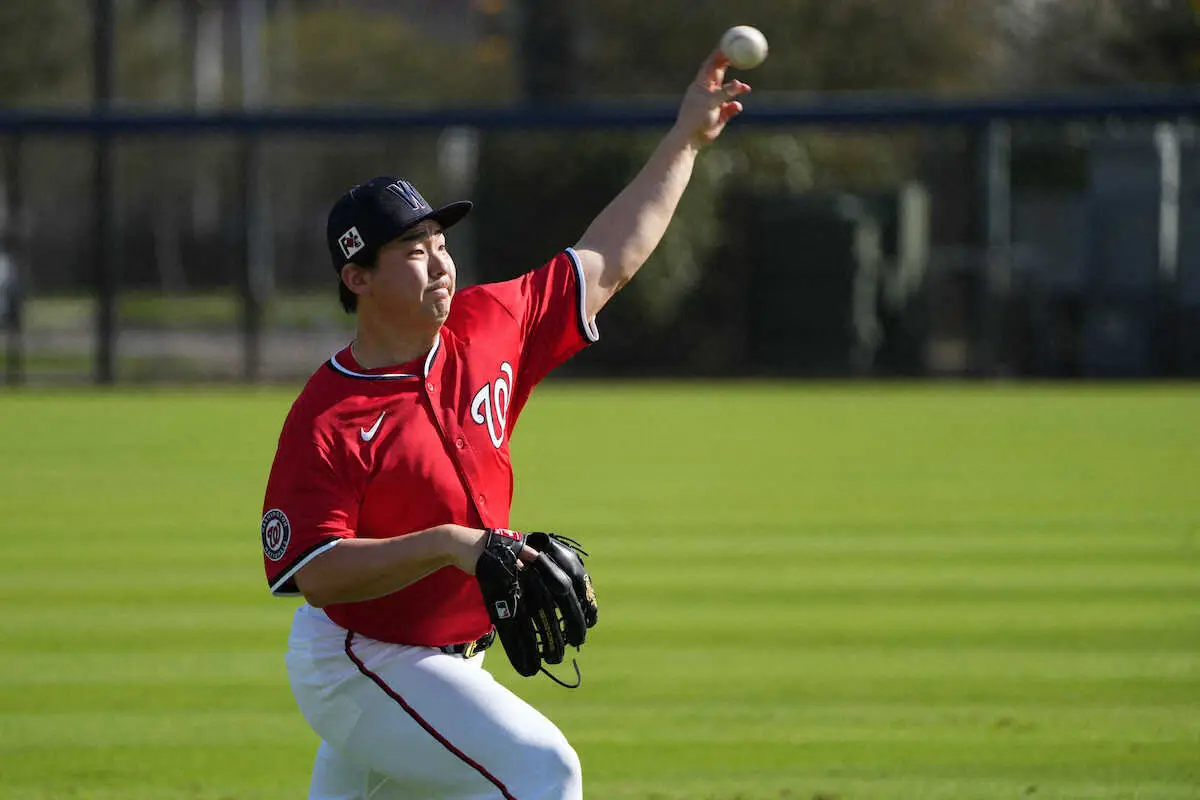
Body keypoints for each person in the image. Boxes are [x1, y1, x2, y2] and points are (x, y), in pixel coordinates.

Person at [260, 48, 751, 800]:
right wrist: (451, 544)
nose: (440, 264)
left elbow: (609, 255)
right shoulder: (330, 415)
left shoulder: (488, 324)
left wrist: (685, 139)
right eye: (413, 251)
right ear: (357, 278)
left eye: (441, 244)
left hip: (447, 661)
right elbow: (317, 571)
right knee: (542, 767)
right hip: (362, 660)